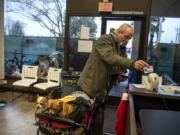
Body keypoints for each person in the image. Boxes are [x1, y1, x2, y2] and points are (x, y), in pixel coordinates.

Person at [78, 23, 149, 135]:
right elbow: (110, 57)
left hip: (101, 90)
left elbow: (114, 65)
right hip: (89, 87)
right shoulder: (105, 39)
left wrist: (118, 73)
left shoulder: (118, 46)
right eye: (126, 37)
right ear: (119, 32)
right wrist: (132, 63)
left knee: (97, 120)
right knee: (85, 122)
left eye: (129, 39)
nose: (127, 41)